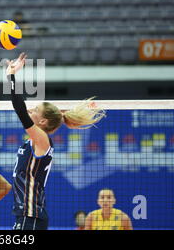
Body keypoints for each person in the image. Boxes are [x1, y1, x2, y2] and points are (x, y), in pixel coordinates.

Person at [7, 53, 105, 230]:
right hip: (27, 214)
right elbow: (24, 107)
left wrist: (11, 77)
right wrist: (16, 72)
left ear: (43, 121)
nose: (31, 109)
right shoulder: (35, 140)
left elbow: (20, 109)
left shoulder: (42, 140)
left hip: (31, 215)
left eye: (35, 109)